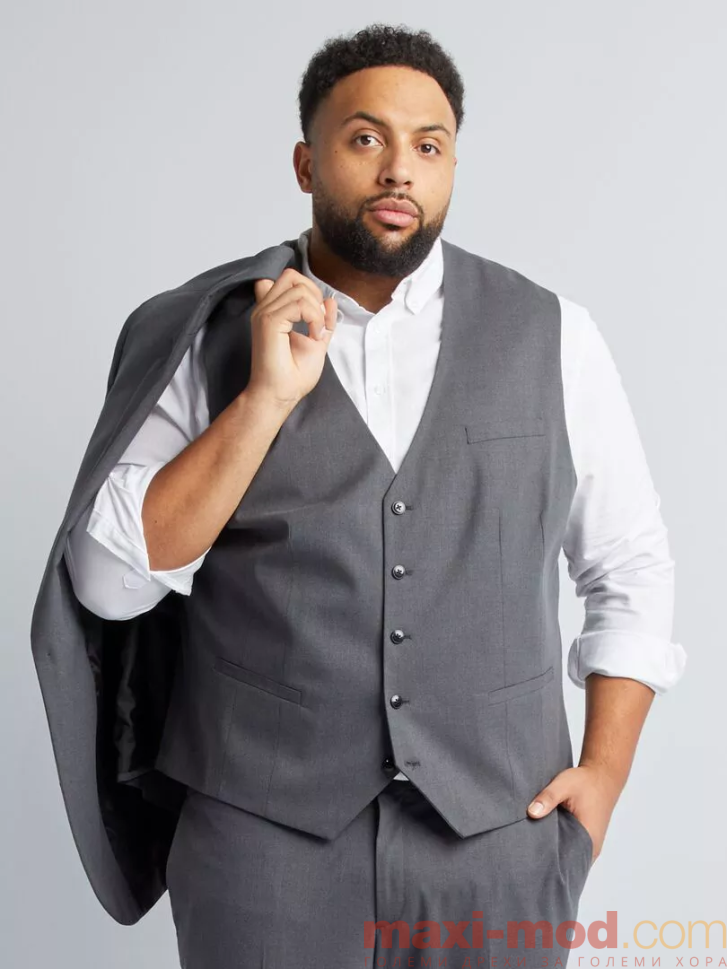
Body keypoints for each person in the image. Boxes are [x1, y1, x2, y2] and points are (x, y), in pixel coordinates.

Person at [35, 22, 686, 969]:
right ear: (307, 163)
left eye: (429, 145)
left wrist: (604, 777)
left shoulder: (553, 334)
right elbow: (108, 584)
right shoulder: (205, 332)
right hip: (260, 846)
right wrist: (262, 401)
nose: (398, 170)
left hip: (494, 840)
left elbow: (627, 563)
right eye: (366, 138)